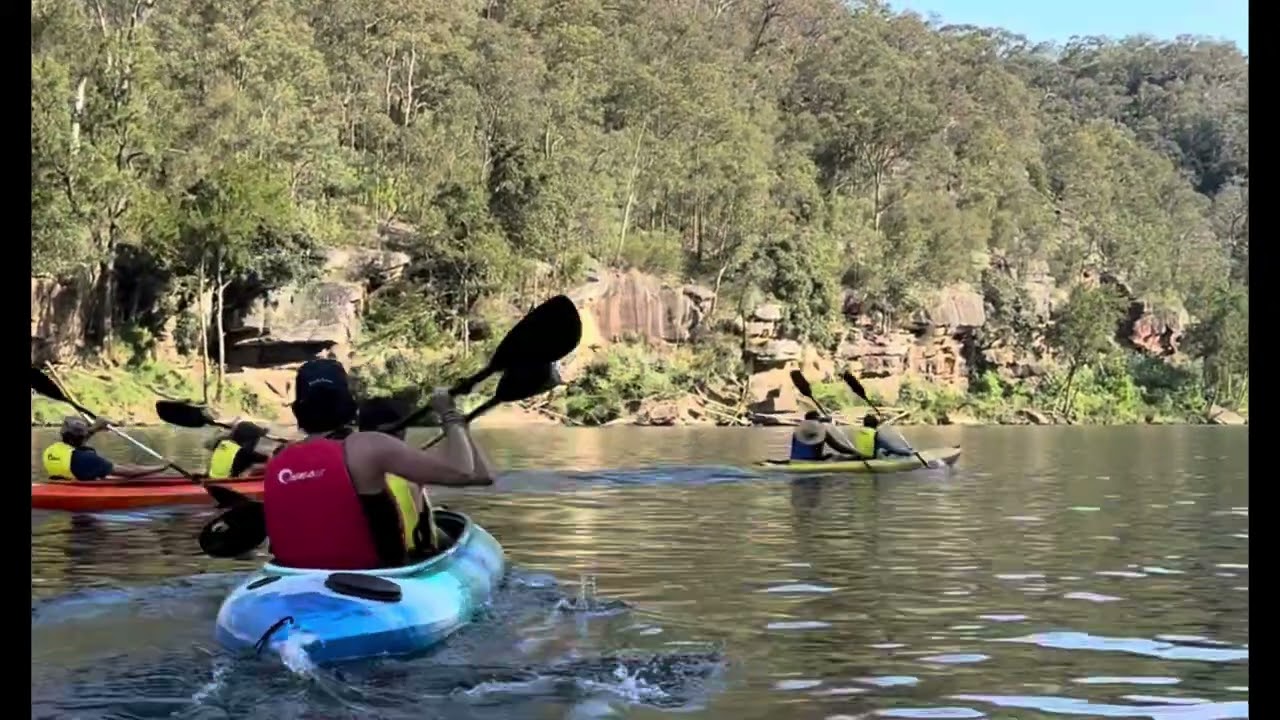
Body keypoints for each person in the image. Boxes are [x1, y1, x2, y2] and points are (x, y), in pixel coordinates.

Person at [263, 358, 492, 570]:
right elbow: (463, 472)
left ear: (298, 411)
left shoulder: (279, 457)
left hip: (294, 575)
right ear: (350, 405)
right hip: (374, 575)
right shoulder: (369, 445)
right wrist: (450, 415)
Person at [42, 416, 168, 481]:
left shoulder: (50, 450)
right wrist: (162, 467)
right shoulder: (85, 459)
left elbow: (76, 442)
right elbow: (128, 472)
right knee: (129, 468)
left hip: (62, 484)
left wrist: (96, 428)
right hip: (85, 490)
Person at [204, 420, 271, 479]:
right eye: (256, 439)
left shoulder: (221, 443)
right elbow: (268, 459)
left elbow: (208, 445)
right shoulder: (244, 453)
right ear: (249, 440)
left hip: (212, 478)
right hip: (228, 482)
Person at [789, 411, 858, 461]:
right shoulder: (822, 431)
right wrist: (855, 452)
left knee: (829, 455)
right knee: (852, 457)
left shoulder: (796, 432)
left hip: (795, 460)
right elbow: (839, 448)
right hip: (813, 461)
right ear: (818, 419)